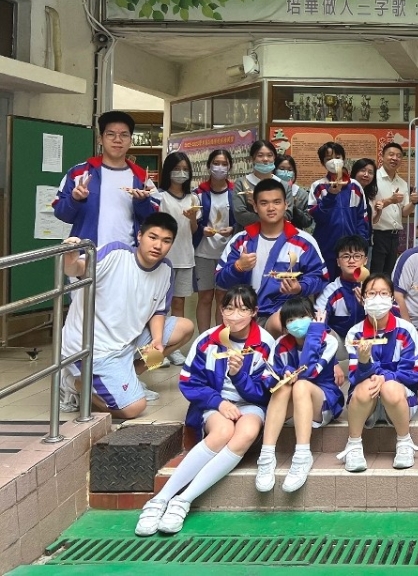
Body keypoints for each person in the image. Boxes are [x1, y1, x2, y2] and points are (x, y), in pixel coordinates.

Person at [135, 285, 272, 536]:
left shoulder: (264, 344)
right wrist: (219, 403)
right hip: (214, 403)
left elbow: (264, 393)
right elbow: (189, 382)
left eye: (243, 309)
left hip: (250, 403)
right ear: (221, 310)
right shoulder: (208, 340)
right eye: (229, 309)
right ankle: (159, 499)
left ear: (254, 312)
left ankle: (183, 501)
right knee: (222, 432)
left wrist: (238, 375)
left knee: (247, 432)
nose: (234, 316)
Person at [58, 214, 195, 418]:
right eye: (153, 237)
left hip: (128, 341)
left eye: (166, 241)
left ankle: (132, 373)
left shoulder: (166, 269)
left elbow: (158, 311)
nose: (158, 245)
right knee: (134, 408)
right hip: (92, 347)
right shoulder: (116, 253)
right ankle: (73, 383)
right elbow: (77, 269)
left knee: (185, 328)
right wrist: (70, 256)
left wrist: (157, 340)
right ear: (140, 236)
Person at [215, 179, 329, 338]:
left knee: (281, 323)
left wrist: (300, 287)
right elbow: (220, 280)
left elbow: (320, 277)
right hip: (245, 314)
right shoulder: (240, 240)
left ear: (286, 204)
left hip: (285, 315)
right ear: (255, 207)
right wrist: (238, 267)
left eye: (277, 202)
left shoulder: (303, 242)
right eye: (264, 203)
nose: (271, 208)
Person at [254, 297, 344, 494]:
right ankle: (266, 456)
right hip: (292, 407)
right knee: (284, 387)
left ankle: (302, 456)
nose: (297, 322)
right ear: (285, 326)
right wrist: (282, 375)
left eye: (303, 316)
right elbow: (267, 376)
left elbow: (309, 371)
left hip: (322, 403)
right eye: (291, 319)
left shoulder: (327, 340)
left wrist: (315, 333)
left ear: (313, 317)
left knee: (301, 384)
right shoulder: (280, 343)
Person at [337, 274, 418, 472]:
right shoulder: (355, 333)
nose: (377, 298)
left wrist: (385, 377)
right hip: (367, 404)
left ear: (392, 298)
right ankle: (354, 445)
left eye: (383, 293)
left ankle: (404, 441)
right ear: (363, 298)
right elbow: (354, 377)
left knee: (390, 388)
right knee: (364, 387)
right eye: (371, 293)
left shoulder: (406, 329)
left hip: (400, 399)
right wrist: (364, 361)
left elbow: (413, 373)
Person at [53, 110, 155, 247]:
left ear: (131, 140)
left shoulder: (142, 178)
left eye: (124, 135)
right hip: (88, 254)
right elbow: (61, 213)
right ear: (100, 139)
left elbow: (155, 222)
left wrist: (142, 203)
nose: (117, 140)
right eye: (110, 134)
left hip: (129, 255)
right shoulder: (79, 173)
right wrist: (74, 199)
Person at [153, 152, 199, 336]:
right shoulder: (160, 196)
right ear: (168, 171)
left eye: (185, 169)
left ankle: (175, 341)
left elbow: (193, 230)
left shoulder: (193, 199)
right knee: (159, 303)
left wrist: (192, 218)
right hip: (163, 258)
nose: (181, 173)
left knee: (179, 302)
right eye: (177, 168)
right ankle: (157, 341)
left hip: (185, 258)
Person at [309, 142, 369, 280]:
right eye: (329, 158)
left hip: (351, 250)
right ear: (323, 163)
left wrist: (361, 244)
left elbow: (362, 218)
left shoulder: (355, 186)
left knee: (351, 285)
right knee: (326, 285)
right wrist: (330, 195)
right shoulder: (318, 186)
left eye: (337, 157)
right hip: (326, 247)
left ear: (343, 159)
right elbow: (317, 217)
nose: (334, 161)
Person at [192, 149, 236, 334]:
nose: (220, 167)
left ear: (230, 167)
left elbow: (240, 220)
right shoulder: (199, 193)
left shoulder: (235, 192)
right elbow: (193, 221)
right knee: (205, 297)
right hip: (204, 252)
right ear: (209, 166)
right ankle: (203, 338)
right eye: (216, 163)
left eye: (224, 164)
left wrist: (233, 229)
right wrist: (202, 229)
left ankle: (220, 337)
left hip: (228, 254)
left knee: (223, 297)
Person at [371, 141, 418, 276]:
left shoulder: (402, 183)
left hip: (394, 236)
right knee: (375, 274)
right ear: (382, 157)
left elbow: (404, 212)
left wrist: (413, 203)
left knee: (388, 275)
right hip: (377, 235)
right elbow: (370, 207)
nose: (395, 158)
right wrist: (390, 200)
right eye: (391, 154)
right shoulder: (373, 179)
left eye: (398, 156)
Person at [315, 235, 371, 339]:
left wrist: (370, 306)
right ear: (338, 262)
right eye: (346, 256)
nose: (351, 261)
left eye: (357, 256)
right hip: (340, 342)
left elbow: (386, 320)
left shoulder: (374, 288)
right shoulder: (330, 291)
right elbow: (318, 321)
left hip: (368, 340)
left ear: (365, 260)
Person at [232, 140, 278, 231]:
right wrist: (271, 220)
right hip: (246, 235)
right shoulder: (241, 183)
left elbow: (287, 215)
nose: (265, 159)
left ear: (274, 158)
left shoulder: (282, 185)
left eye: (269, 155)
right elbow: (240, 214)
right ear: (252, 159)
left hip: (277, 235)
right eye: (260, 155)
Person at [274, 154, 314, 231]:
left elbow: (308, 222)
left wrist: (293, 207)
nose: (286, 172)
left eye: (290, 170)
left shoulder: (302, 194)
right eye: (281, 169)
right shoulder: (266, 190)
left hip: (295, 234)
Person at [351, 157, 380, 236]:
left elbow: (369, 221)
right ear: (355, 172)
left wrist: (379, 212)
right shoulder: (349, 192)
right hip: (352, 239)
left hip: (366, 239)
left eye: (370, 172)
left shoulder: (368, 195)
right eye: (363, 170)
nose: (366, 175)